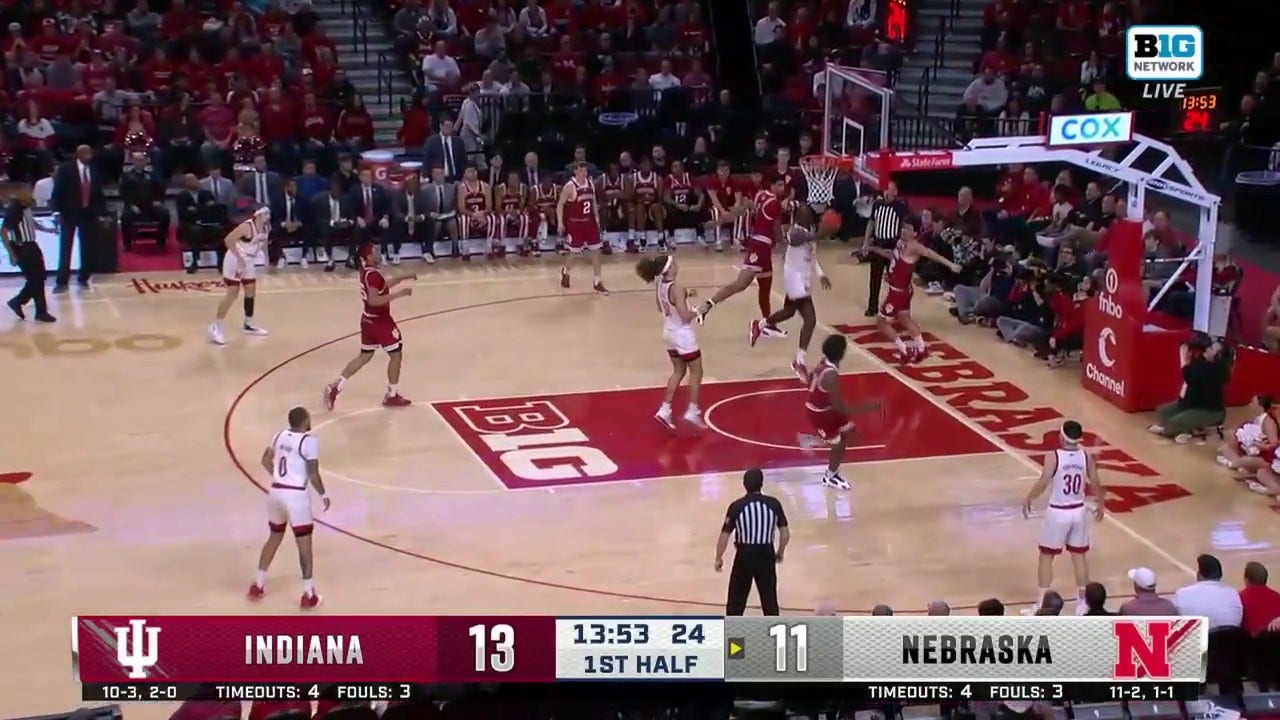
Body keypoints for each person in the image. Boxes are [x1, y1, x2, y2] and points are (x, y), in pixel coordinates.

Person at [1021, 420, 1104, 616]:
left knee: (1046, 557)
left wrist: (1029, 498)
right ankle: (1083, 604)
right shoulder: (1086, 456)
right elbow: (1095, 480)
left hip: (1058, 512)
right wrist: (1101, 502)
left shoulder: (1053, 456)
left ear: (1061, 436)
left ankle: (1042, 604)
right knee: (1079, 557)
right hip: (1078, 511)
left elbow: (1043, 481)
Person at [249, 406, 328, 609]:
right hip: (296, 498)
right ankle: (308, 594)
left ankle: (258, 585)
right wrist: (323, 494)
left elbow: (265, 460)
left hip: (276, 492)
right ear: (304, 422)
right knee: (304, 546)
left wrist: (279, 478)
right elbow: (313, 473)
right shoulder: (309, 442)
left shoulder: (279, 435)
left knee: (274, 537)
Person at [322, 244, 415, 410]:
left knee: (364, 356)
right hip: (380, 321)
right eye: (376, 251)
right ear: (369, 256)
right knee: (396, 355)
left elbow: (382, 286)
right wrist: (399, 294)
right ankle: (392, 395)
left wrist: (402, 278)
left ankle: (335, 387)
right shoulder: (372, 275)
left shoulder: (367, 271)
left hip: (367, 320)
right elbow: (374, 300)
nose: (379, 253)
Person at [695, 175, 787, 334]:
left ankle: (767, 324)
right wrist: (782, 245)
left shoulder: (761, 195)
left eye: (783, 185)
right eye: (778, 185)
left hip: (761, 245)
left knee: (765, 287)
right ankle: (707, 305)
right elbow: (776, 227)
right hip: (760, 246)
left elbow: (743, 210)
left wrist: (720, 221)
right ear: (771, 185)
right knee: (741, 283)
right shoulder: (775, 203)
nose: (782, 188)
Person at [868, 215, 961, 363]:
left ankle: (905, 350)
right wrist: (874, 249)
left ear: (915, 233)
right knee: (904, 318)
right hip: (902, 289)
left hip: (898, 292)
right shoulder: (901, 242)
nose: (904, 231)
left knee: (881, 322)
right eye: (903, 227)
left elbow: (932, 254)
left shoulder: (914, 246)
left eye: (908, 229)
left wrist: (951, 265)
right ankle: (922, 349)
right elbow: (894, 257)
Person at [754, 206, 831, 380]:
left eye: (807, 211)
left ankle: (760, 325)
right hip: (794, 279)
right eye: (802, 211)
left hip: (803, 278)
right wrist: (823, 233)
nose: (806, 213)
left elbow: (812, 257)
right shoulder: (794, 232)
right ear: (798, 217)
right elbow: (797, 240)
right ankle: (799, 361)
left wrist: (821, 275)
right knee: (810, 319)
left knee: (789, 312)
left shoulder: (809, 231)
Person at [636, 254, 704, 429]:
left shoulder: (659, 284)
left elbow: (662, 306)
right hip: (683, 334)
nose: (677, 264)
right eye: (675, 263)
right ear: (671, 268)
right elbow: (685, 316)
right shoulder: (677, 288)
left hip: (668, 332)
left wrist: (685, 295)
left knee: (678, 371)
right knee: (696, 372)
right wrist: (700, 310)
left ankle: (664, 410)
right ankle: (693, 411)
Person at [715, 468, 789, 616]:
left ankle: (733, 636)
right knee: (769, 600)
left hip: (744, 555)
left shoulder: (737, 506)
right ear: (762, 484)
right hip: (766, 554)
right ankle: (774, 634)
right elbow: (785, 533)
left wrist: (718, 557)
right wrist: (780, 552)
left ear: (744, 484)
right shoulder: (773, 504)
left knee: (736, 600)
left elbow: (725, 535)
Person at [1146, 333, 1230, 443]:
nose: (1207, 349)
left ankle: (1179, 430)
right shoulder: (1202, 363)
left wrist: (1184, 361)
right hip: (1191, 404)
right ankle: (1180, 429)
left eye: (1210, 348)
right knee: (1162, 411)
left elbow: (1189, 375)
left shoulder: (1218, 369)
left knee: (1175, 422)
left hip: (1210, 410)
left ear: (1218, 355)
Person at [802, 334, 860, 490]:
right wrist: (846, 420)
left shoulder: (823, 363)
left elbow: (810, 379)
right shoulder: (831, 374)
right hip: (820, 413)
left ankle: (823, 444)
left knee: (845, 434)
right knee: (839, 443)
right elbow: (836, 402)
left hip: (822, 409)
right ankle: (830, 476)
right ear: (841, 353)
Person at [208, 206, 271, 345]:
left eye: (268, 213)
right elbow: (228, 240)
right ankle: (216, 326)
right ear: (258, 215)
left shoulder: (266, 227)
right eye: (265, 213)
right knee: (232, 293)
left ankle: (248, 324)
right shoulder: (246, 227)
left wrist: (266, 259)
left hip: (248, 260)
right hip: (235, 259)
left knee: (251, 290)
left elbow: (264, 242)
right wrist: (240, 259)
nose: (268, 215)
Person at [3, 184, 55, 323]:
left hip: (31, 245)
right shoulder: (15, 209)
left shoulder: (26, 206)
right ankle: (39, 311)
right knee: (35, 279)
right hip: (23, 247)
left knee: (39, 278)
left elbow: (32, 223)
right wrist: (12, 254)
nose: (31, 193)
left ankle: (19, 302)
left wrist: (48, 230)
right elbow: (4, 231)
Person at [557, 161, 609, 294]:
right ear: (575, 171)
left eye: (585, 171)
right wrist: (560, 223)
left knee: (596, 252)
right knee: (574, 253)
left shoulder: (591, 183)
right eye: (581, 171)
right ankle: (565, 271)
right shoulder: (570, 186)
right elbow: (560, 205)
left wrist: (597, 219)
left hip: (589, 222)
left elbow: (594, 202)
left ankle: (597, 281)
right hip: (575, 224)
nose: (583, 173)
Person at [857, 181, 907, 316]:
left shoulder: (901, 207)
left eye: (890, 190)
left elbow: (904, 226)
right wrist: (866, 242)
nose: (887, 192)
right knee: (874, 278)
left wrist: (902, 245)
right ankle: (872, 306)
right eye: (886, 189)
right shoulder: (877, 205)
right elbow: (871, 222)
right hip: (879, 245)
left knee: (896, 280)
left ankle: (898, 307)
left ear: (895, 192)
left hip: (893, 247)